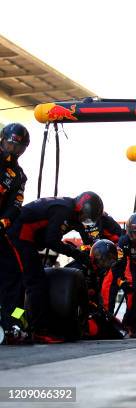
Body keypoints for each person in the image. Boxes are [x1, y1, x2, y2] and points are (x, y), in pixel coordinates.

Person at [2, 192, 104, 343]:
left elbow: (84, 234)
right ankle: (32, 329)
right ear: (81, 207)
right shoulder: (64, 210)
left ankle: (15, 323)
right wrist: (77, 254)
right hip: (18, 237)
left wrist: (90, 254)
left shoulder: (70, 210)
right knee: (35, 284)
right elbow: (51, 240)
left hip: (22, 238)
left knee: (24, 284)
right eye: (85, 215)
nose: (85, 219)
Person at [0, 123, 29, 340]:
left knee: (16, 276)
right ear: (3, 140)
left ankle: (13, 321)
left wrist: (4, 222)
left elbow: (16, 205)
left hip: (1, 229)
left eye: (19, 147)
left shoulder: (19, 175)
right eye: (11, 143)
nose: (13, 150)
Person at [74, 212, 123, 314]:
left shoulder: (98, 220)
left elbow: (118, 244)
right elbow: (87, 244)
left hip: (114, 254)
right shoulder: (80, 221)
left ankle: (105, 315)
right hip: (100, 254)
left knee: (106, 285)